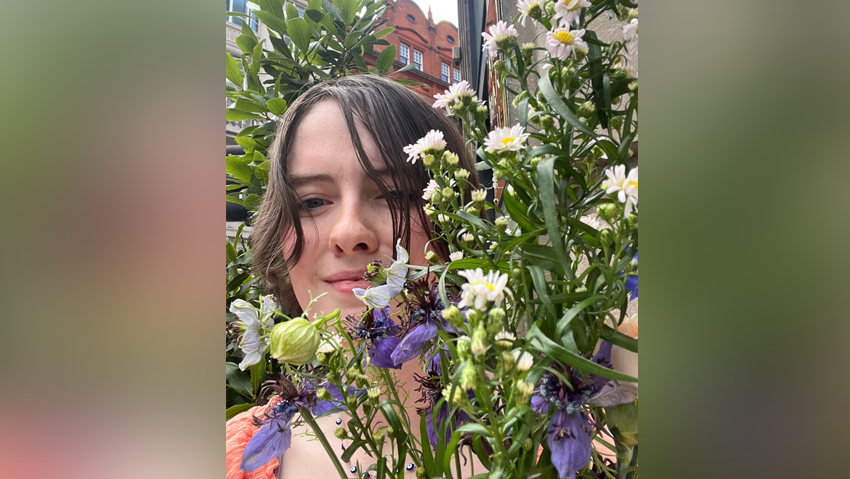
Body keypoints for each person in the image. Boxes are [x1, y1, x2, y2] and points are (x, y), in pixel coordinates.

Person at [226, 75, 481, 479]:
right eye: (312, 201)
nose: (349, 233)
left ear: (459, 217)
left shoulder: (578, 443)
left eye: (396, 195)